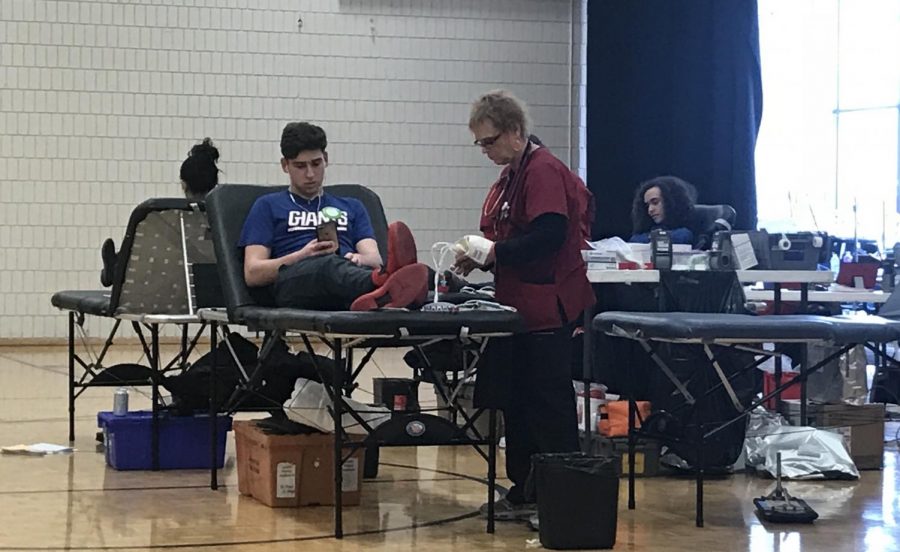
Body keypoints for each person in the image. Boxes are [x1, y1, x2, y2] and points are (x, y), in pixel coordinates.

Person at [455, 90, 595, 521]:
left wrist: (496, 253)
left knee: (548, 405)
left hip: (547, 305)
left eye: (490, 141)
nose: (485, 151)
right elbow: (509, 238)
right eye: (479, 143)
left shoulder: (544, 172)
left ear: (515, 132)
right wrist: (483, 257)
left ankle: (562, 499)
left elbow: (549, 235)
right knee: (516, 401)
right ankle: (524, 488)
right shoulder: (510, 175)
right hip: (516, 308)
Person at [239, 122, 428, 311]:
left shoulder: (353, 206)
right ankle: (383, 287)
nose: (310, 174)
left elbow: (374, 259)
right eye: (300, 166)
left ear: (326, 159)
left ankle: (435, 286)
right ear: (285, 165)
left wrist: (356, 259)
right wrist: (301, 256)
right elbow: (252, 273)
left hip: (346, 276)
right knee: (327, 266)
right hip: (295, 281)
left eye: (316, 163)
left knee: (423, 272)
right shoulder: (267, 206)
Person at [100, 138, 222, 287]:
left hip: (168, 287)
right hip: (215, 291)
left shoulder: (160, 217)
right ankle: (116, 266)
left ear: (183, 184)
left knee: (156, 240)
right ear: (215, 184)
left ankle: (117, 267)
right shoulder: (224, 220)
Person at [628, 175, 696, 245]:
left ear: (671, 201)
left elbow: (682, 236)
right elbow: (634, 240)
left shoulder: (686, 232)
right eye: (647, 206)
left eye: (655, 202)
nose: (650, 210)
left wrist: (653, 237)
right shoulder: (646, 232)